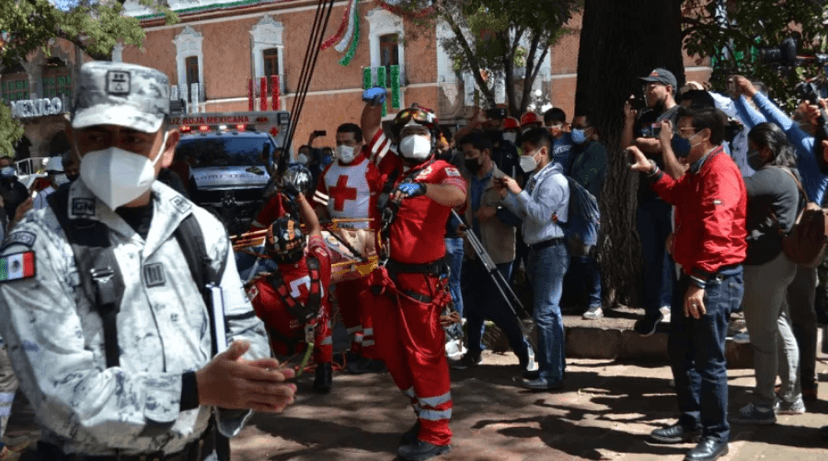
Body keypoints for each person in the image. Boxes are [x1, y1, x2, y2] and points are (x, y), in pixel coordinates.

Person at [0, 61, 295, 460]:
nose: (112, 150)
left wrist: (250, 379)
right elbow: (60, 395)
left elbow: (238, 322)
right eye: (97, 135)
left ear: (168, 146)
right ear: (72, 138)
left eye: (134, 137)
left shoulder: (200, 228)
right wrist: (197, 389)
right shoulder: (38, 244)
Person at [629, 106, 746, 461]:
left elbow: (719, 231)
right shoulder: (700, 169)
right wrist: (652, 172)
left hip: (711, 278)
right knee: (681, 351)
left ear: (705, 134)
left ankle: (716, 434)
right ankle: (692, 420)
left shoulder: (720, 171)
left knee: (709, 360)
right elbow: (679, 195)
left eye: (683, 129)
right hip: (695, 274)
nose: (678, 136)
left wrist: (698, 281)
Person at [361, 92, 467, 461]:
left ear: (434, 136)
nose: (412, 134)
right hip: (387, 278)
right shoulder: (392, 166)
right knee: (392, 353)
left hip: (421, 282)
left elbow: (455, 196)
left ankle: (438, 433)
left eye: (419, 129)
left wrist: (424, 188)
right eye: (406, 129)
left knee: (424, 355)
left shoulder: (442, 170)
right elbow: (370, 128)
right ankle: (424, 416)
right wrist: (375, 102)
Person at [730, 76, 826, 402]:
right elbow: (759, 121)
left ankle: (801, 385)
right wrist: (742, 98)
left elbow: (776, 120)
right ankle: (795, 386)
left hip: (797, 241)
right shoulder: (797, 149)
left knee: (797, 317)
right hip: (790, 241)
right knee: (787, 318)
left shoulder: (810, 151)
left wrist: (751, 92)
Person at [729, 122, 805, 425]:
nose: (748, 153)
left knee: (762, 338)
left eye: (752, 147)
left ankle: (763, 405)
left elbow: (731, 190)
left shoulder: (771, 176)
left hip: (765, 265)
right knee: (779, 327)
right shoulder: (790, 174)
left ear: (766, 150)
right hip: (781, 263)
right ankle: (791, 396)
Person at [453, 131, 536, 375]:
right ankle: (473, 352)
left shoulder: (503, 181)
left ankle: (524, 351)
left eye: (472, 154)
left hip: (498, 255)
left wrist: (497, 212)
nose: (468, 158)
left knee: (498, 306)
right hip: (471, 251)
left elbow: (521, 217)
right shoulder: (465, 179)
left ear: (486, 153)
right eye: (465, 154)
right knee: (473, 306)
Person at [496, 127, 570, 391]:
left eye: (527, 151)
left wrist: (518, 190)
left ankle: (551, 374)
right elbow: (526, 213)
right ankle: (551, 369)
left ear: (543, 151)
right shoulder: (535, 178)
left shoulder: (554, 181)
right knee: (548, 313)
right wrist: (508, 196)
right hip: (538, 249)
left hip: (551, 249)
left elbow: (539, 214)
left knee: (546, 312)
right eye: (521, 150)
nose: (523, 156)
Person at [247, 190, 334, 393]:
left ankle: (268, 372)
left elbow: (248, 327)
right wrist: (300, 198)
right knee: (323, 320)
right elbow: (314, 227)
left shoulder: (262, 290)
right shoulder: (322, 261)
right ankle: (325, 370)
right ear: (302, 245)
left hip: (284, 346)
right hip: (317, 332)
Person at [314, 122, 384, 374]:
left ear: (359, 144)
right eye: (339, 141)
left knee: (366, 296)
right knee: (346, 297)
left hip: (366, 239)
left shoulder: (371, 169)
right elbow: (320, 202)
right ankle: (357, 347)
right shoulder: (329, 171)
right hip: (338, 238)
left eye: (348, 142)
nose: (343, 147)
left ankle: (373, 352)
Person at [623, 67, 681, 336]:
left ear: (668, 88)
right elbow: (628, 148)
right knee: (651, 256)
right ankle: (653, 311)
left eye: (653, 87)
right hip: (646, 197)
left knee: (675, 254)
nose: (648, 92)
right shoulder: (645, 116)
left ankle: (673, 308)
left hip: (671, 196)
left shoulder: (678, 115)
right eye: (646, 87)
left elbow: (662, 146)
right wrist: (628, 121)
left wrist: (640, 141)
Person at [563, 113, 607, 320]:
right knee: (572, 259)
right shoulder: (574, 151)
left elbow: (582, 179)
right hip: (571, 210)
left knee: (585, 257)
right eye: (573, 126)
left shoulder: (596, 151)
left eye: (580, 127)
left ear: (591, 129)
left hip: (587, 210)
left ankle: (595, 302)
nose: (575, 131)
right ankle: (576, 300)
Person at [544, 107, 574, 173]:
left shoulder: (571, 138)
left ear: (563, 124)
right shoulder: (545, 141)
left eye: (555, 124)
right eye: (548, 125)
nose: (551, 127)